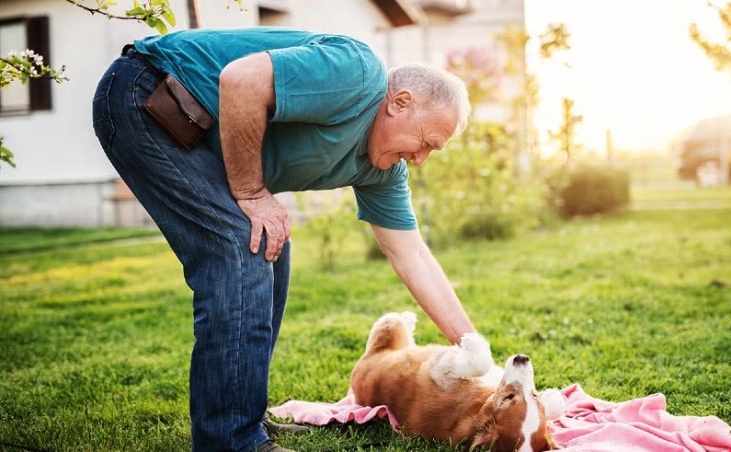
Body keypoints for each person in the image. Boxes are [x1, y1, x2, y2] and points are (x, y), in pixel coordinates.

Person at [92, 27, 478, 452]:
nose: (420, 159)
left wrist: (473, 349)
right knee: (245, 242)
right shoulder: (358, 73)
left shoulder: (381, 170)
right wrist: (251, 193)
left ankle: (245, 419)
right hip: (148, 92)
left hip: (190, 127)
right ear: (400, 102)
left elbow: (413, 255)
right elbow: (241, 80)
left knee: (269, 243)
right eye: (425, 142)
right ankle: (232, 441)